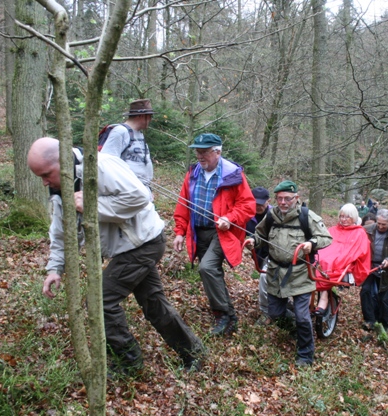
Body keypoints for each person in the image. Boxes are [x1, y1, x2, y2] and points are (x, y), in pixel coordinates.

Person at [28, 137, 204, 376]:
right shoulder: (59, 188)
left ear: (61, 160)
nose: (45, 182)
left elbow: (140, 196)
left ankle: (129, 362)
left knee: (100, 302)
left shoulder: (101, 165)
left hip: (144, 243)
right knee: (154, 304)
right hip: (127, 248)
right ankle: (193, 352)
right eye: (40, 177)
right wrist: (55, 268)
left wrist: (91, 204)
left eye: (46, 174)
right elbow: (62, 231)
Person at [173, 133, 255, 336]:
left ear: (217, 152)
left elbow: (248, 205)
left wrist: (230, 217)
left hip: (222, 232)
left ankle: (224, 315)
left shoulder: (232, 174)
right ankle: (227, 316)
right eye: (197, 152)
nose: (200, 156)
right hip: (198, 232)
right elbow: (183, 204)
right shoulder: (193, 173)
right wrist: (179, 232)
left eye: (204, 152)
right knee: (211, 273)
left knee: (207, 268)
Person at [245, 180, 332, 366]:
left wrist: (312, 244)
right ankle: (298, 330)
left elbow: (326, 238)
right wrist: (253, 242)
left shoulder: (307, 216)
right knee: (275, 313)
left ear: (296, 198)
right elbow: (260, 235)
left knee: (302, 316)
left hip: (301, 272)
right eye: (280, 199)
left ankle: (305, 354)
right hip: (276, 273)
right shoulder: (271, 216)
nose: (283, 202)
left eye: (287, 199)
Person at [314, 203, 370, 314]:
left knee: (329, 262)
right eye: (341, 216)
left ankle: (324, 297)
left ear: (353, 217)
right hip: (329, 254)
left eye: (347, 217)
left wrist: (341, 256)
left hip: (344, 258)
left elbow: (357, 251)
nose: (343, 219)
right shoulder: (333, 229)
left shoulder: (359, 232)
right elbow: (325, 244)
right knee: (316, 258)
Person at [360, 209, 388, 331]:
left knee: (383, 296)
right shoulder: (366, 229)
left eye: (383, 224)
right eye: (378, 223)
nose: (380, 226)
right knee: (366, 291)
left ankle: (385, 323)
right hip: (368, 266)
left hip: (385, 268)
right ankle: (369, 320)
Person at [99, 98, 154, 191]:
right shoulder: (120, 131)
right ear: (141, 116)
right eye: (150, 116)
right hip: (127, 190)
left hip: (142, 188)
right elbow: (106, 163)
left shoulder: (139, 133)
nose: (151, 119)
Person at [245, 186, 272, 321]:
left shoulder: (275, 215)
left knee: (265, 276)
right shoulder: (246, 214)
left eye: (261, 204)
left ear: (268, 201)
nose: (258, 206)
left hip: (273, 252)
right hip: (257, 251)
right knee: (266, 277)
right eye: (255, 203)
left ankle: (266, 311)